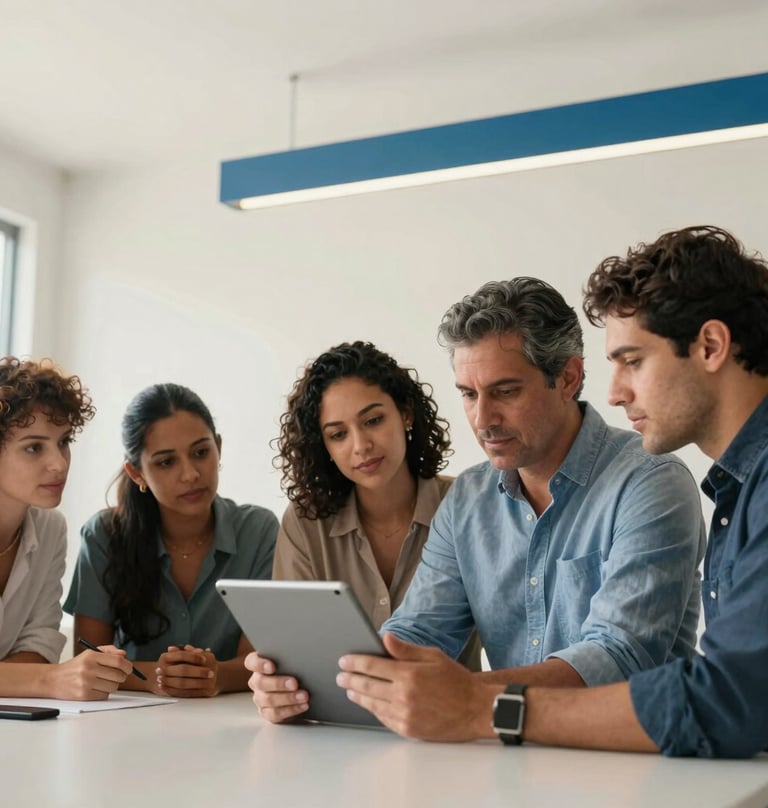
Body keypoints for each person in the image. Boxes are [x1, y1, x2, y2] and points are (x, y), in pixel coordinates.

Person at [250, 279, 706, 727]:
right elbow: (417, 634)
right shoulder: (467, 501)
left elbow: (617, 656)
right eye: (468, 394)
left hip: (633, 767)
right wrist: (304, 687)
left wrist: (469, 695)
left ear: (567, 378)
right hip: (505, 760)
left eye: (505, 391)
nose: (483, 419)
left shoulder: (651, 483)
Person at [245, 341, 480, 719]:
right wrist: (275, 690)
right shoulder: (305, 525)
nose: (361, 446)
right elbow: (294, 656)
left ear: (405, 414)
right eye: (338, 434)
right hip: (339, 733)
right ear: (323, 446)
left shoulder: (467, 505)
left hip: (451, 729)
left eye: (373, 420)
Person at [65, 383, 277, 697]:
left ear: (218, 447)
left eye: (201, 452)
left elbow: (256, 661)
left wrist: (216, 676)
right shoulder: (103, 535)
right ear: (136, 473)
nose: (190, 474)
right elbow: (88, 661)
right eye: (166, 462)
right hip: (125, 727)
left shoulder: (258, 531)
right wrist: (155, 676)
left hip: (230, 723)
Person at [0, 356, 133, 699]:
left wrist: (44, 676)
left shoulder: (49, 529)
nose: (59, 464)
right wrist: (48, 680)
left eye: (64, 441)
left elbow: (39, 640)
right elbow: (42, 671)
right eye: (33, 447)